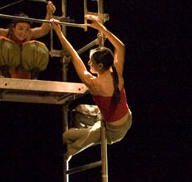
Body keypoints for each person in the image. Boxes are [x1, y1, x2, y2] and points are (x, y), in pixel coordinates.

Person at [50, 14, 132, 160]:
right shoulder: (116, 71)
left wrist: (59, 33)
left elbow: (74, 56)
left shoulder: (95, 84)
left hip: (113, 131)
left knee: (77, 143)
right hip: (126, 119)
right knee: (67, 135)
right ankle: (69, 150)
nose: (88, 64)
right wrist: (101, 28)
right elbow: (120, 46)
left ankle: (67, 154)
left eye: (91, 62)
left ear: (100, 66)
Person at [0, 1, 56, 79]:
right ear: (13, 28)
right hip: (1, 76)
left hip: (22, 77)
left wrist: (49, 13)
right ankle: (4, 74)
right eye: (20, 28)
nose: (23, 33)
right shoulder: (4, 33)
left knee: (35, 46)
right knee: (0, 42)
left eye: (26, 29)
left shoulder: (29, 35)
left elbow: (43, 30)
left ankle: (34, 76)